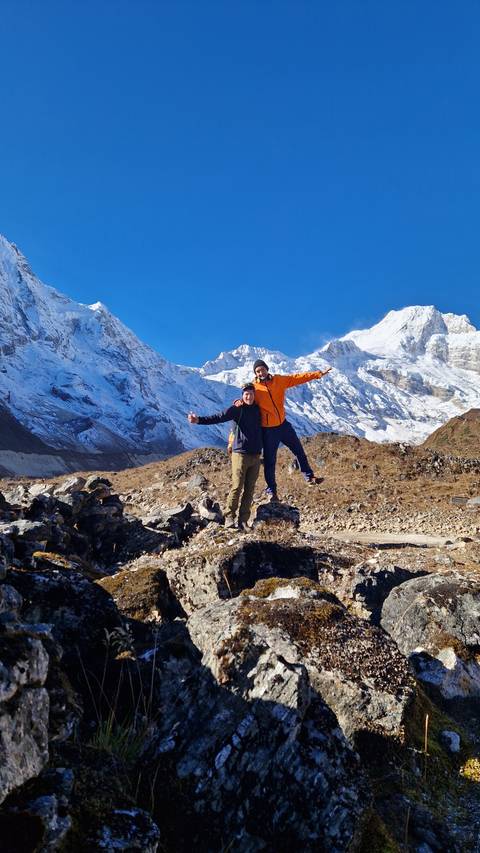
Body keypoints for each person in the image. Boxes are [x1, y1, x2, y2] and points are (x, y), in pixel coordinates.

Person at [248, 358, 331, 500]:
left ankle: (309, 477)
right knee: (270, 461)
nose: (260, 372)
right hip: (268, 431)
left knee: (299, 451)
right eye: (257, 371)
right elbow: (245, 401)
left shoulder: (279, 380)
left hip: (283, 425)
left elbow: (296, 378)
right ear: (255, 374)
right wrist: (238, 403)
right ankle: (271, 490)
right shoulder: (254, 388)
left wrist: (317, 374)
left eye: (262, 369)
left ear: (267, 369)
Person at [187, 383, 262, 530]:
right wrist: (199, 420)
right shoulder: (237, 409)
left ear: (254, 395)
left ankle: (243, 521)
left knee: (250, 489)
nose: (249, 396)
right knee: (237, 486)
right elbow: (219, 417)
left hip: (256, 454)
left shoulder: (258, 409)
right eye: (246, 394)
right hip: (240, 453)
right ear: (242, 395)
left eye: (251, 394)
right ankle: (229, 517)